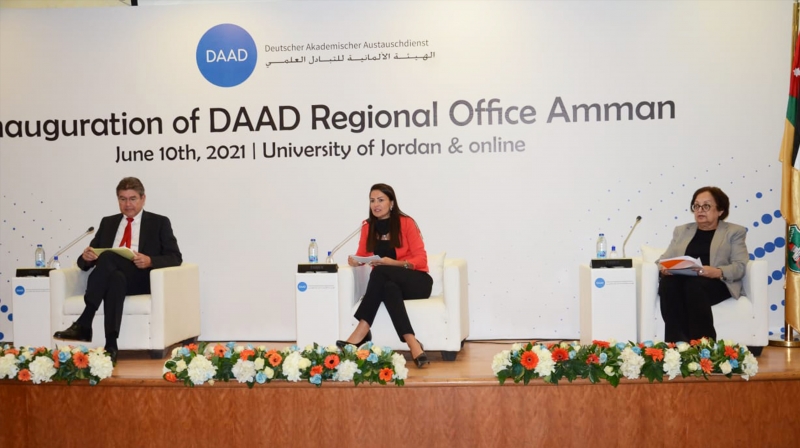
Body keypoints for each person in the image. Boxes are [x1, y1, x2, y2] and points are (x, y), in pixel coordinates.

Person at [53, 177, 182, 364]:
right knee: (115, 278)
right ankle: (111, 345)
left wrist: (150, 261)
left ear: (143, 199)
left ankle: (85, 321)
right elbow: (84, 262)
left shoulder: (159, 222)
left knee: (108, 257)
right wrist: (86, 257)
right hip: (113, 277)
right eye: (123, 199)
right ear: (118, 200)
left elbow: (175, 257)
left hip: (140, 278)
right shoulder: (108, 223)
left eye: (132, 199)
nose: (127, 204)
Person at [336, 183, 433, 368]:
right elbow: (363, 255)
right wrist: (356, 261)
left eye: (380, 200)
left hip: (416, 281)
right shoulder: (367, 226)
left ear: (391, 203)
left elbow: (421, 259)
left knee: (380, 271)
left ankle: (362, 330)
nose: (376, 205)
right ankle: (413, 343)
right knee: (389, 288)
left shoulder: (406, 223)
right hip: (390, 283)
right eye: (372, 201)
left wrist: (392, 263)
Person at [657, 186, 748, 342]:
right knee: (668, 284)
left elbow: (740, 266)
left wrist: (716, 271)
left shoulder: (734, 232)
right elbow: (663, 259)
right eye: (696, 206)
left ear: (720, 210)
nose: (700, 210)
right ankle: (676, 344)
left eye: (706, 206)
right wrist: (664, 268)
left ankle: (703, 345)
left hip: (716, 282)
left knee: (693, 286)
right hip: (684, 279)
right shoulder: (682, 230)